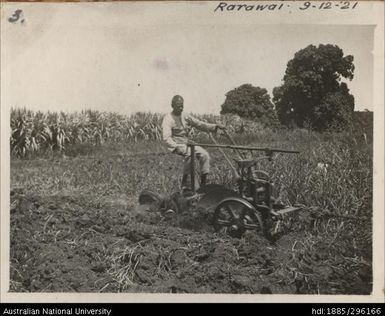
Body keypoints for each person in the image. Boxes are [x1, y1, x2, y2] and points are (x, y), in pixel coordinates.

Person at [162, 95, 225, 189]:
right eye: (178, 106)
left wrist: (215, 126)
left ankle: (203, 184)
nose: (181, 108)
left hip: (187, 143)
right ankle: (186, 182)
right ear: (172, 105)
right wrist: (175, 146)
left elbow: (199, 124)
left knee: (205, 155)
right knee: (190, 155)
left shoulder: (185, 116)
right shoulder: (168, 119)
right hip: (177, 144)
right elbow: (166, 138)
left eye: (182, 106)